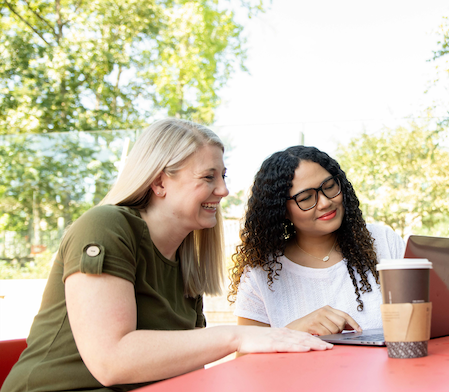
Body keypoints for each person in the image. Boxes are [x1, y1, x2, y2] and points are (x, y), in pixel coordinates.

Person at [1, 119, 330, 392]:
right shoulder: (104, 226)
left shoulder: (186, 257)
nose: (224, 190)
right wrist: (237, 334)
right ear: (159, 182)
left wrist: (283, 334)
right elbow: (111, 362)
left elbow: (184, 368)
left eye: (223, 176)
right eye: (208, 177)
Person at [229, 146, 405, 336]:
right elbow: (246, 357)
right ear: (282, 211)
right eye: (305, 198)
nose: (325, 202)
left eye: (329, 187)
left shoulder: (384, 241)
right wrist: (294, 331)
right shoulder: (262, 272)